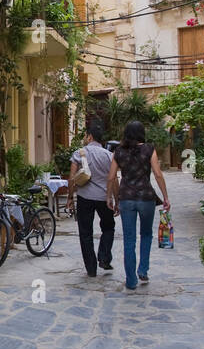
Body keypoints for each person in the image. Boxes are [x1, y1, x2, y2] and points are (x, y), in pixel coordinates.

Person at [107, 120, 170, 290]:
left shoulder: (118, 152)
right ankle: (143, 269)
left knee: (129, 239)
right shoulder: (149, 149)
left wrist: (110, 198)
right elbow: (157, 174)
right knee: (146, 234)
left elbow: (111, 177)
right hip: (146, 198)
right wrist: (165, 197)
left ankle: (131, 280)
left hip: (126, 198)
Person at [67, 119, 115, 277]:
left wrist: (69, 197)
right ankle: (104, 256)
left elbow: (72, 177)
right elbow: (114, 179)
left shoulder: (79, 153)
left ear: (89, 137)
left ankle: (91, 268)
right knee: (108, 228)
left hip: (84, 197)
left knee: (85, 232)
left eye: (86, 136)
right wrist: (116, 199)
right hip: (103, 197)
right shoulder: (109, 155)